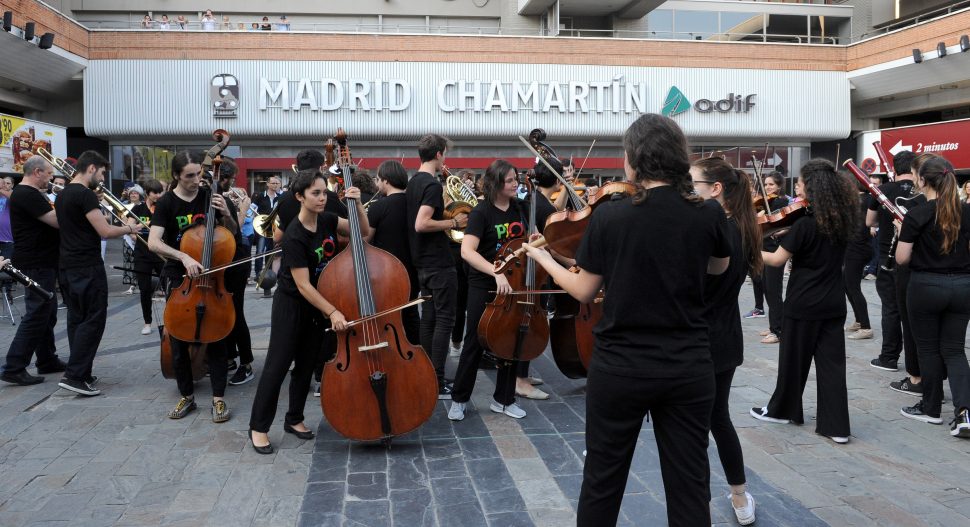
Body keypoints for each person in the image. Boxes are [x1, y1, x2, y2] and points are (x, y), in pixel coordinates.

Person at [524, 114, 731, 527]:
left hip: (621, 366)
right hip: (687, 365)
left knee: (603, 480)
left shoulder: (611, 216)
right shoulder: (706, 213)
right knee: (689, 483)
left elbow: (583, 290)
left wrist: (544, 257)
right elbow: (719, 268)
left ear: (634, 160)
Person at [248, 170, 367, 454]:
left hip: (319, 303)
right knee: (277, 367)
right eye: (315, 193)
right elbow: (302, 285)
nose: (322, 198)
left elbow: (362, 231)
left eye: (324, 192)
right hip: (292, 305)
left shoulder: (326, 220)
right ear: (300, 197)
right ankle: (258, 427)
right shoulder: (294, 235)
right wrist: (334, 312)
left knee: (306, 364)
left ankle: (295, 418)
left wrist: (359, 204)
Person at [750, 159, 858, 445]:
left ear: (811, 188)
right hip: (834, 302)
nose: (796, 186)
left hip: (803, 302)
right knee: (832, 366)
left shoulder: (805, 225)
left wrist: (749, 247)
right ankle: (836, 427)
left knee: (792, 361)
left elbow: (775, 260)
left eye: (799, 182)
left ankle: (782, 411)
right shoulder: (841, 222)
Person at [691, 157, 762, 526]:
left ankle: (699, 506)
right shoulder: (742, 227)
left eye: (694, 185)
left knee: (695, 426)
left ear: (715, 189)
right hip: (726, 335)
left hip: (700, 336)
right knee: (718, 418)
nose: (689, 192)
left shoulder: (715, 230)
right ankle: (738, 495)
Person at [148, 150, 237, 422]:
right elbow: (154, 242)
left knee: (219, 338)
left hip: (213, 276)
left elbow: (232, 232)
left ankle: (218, 398)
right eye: (190, 175)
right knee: (178, 339)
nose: (197, 180)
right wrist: (183, 256)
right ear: (176, 176)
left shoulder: (211, 197)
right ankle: (186, 395)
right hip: (181, 278)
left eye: (199, 173)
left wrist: (227, 214)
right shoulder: (166, 204)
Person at [449, 160, 533, 422]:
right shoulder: (481, 212)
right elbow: (467, 251)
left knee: (510, 342)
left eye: (516, 179)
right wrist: (495, 272)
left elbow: (530, 239)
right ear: (496, 183)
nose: (515, 183)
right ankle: (460, 399)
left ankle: (504, 400)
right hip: (483, 285)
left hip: (515, 284)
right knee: (475, 341)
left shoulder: (520, 208)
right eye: (510, 180)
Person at [895, 156, 970, 438]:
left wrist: (903, 233)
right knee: (954, 349)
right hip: (963, 285)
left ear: (922, 180)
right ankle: (965, 412)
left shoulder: (917, 214)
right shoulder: (967, 211)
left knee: (927, 348)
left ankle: (931, 408)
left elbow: (902, 258)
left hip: (925, 285)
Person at [56, 151, 139, 396]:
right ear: (91, 168)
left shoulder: (63, 195)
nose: (102, 178)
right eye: (102, 173)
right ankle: (75, 375)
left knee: (77, 320)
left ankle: (80, 370)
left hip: (67, 265)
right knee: (93, 320)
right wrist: (129, 227)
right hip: (86, 265)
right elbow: (104, 231)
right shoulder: (84, 194)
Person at [406, 134, 467, 400]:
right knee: (444, 321)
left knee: (430, 319)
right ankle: (438, 380)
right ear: (440, 153)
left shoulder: (413, 182)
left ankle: (429, 374)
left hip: (422, 262)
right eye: (446, 154)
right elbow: (422, 223)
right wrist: (454, 223)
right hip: (438, 263)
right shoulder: (430, 185)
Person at [0, 157, 66, 386]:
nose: (51, 179)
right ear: (37, 172)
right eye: (49, 174)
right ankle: (14, 366)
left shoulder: (31, 193)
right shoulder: (27, 194)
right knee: (37, 313)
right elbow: (57, 220)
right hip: (36, 261)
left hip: (42, 259)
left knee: (47, 311)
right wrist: (75, 202)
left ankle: (46, 359)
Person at [867, 151, 925, 399]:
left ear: (893, 166)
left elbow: (869, 221)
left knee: (891, 309)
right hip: (918, 260)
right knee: (913, 313)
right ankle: (920, 367)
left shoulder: (885, 190)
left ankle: (889, 357)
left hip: (888, 257)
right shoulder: (925, 189)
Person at [365, 160, 420, 344]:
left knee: (386, 315)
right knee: (411, 313)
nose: (377, 184)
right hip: (412, 268)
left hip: (386, 272)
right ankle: (415, 350)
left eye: (378, 180)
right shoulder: (415, 205)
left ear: (386, 181)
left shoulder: (379, 206)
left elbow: (366, 238)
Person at [217, 159, 256, 385]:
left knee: (235, 312)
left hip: (235, 260)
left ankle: (246, 362)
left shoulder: (224, 201)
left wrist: (240, 210)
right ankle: (230, 356)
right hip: (222, 260)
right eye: (231, 179)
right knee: (223, 312)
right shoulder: (217, 197)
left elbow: (235, 230)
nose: (231, 184)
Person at [750, 171, 788, 344]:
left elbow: (775, 223)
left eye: (771, 184)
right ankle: (774, 325)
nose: (767, 187)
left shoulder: (781, 201)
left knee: (773, 291)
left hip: (774, 250)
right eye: (765, 184)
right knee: (767, 288)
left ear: (779, 186)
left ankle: (778, 330)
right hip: (764, 249)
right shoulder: (765, 202)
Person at [127, 179, 165, 336]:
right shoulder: (138, 208)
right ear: (148, 193)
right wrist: (140, 229)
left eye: (160, 192)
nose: (158, 195)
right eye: (155, 192)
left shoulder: (162, 208)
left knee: (169, 286)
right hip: (143, 253)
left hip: (161, 253)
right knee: (144, 289)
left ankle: (171, 320)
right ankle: (147, 322)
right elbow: (130, 229)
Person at [843, 175, 874, 340]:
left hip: (857, 248)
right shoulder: (865, 199)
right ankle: (859, 320)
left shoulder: (858, 201)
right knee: (848, 285)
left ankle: (866, 326)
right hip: (858, 247)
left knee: (853, 287)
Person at [254, 176, 284, 296]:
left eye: (277, 183)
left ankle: (271, 276)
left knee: (274, 253)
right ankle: (258, 274)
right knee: (260, 251)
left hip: (276, 229)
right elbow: (253, 211)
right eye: (273, 183)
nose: (276, 185)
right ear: (268, 184)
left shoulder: (281, 197)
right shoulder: (260, 196)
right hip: (263, 228)